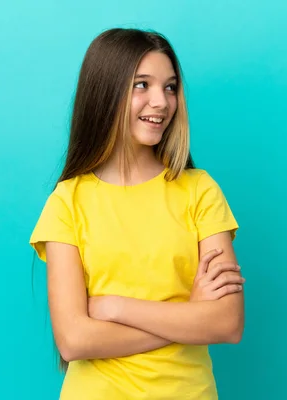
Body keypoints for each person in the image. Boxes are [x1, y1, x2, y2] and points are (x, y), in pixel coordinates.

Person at [29, 27, 245, 400]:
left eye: (170, 87)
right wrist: (189, 316)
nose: (161, 102)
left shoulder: (199, 190)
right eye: (142, 85)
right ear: (105, 92)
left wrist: (114, 307)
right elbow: (75, 341)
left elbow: (227, 323)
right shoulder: (67, 201)